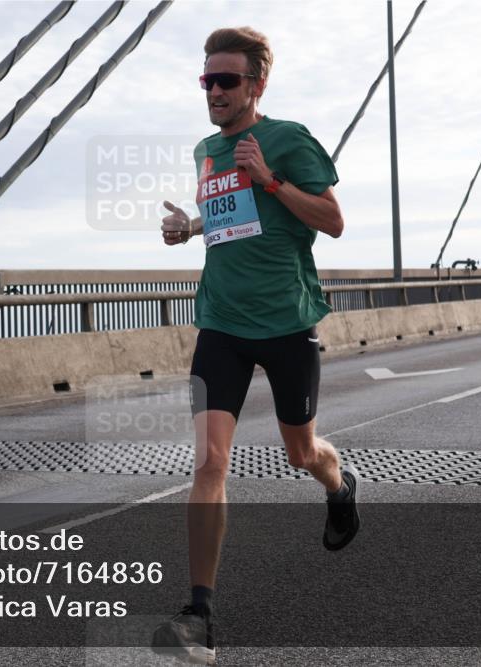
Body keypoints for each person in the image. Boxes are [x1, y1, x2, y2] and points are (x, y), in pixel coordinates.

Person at [152, 27, 360, 665]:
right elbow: (223, 216)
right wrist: (187, 227)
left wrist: (271, 180)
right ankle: (199, 614)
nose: (213, 91)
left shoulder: (288, 139)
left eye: (226, 80)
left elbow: (333, 220)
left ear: (256, 84)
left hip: (287, 323)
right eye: (206, 80)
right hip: (220, 323)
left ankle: (338, 484)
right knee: (211, 464)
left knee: (301, 452)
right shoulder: (205, 150)